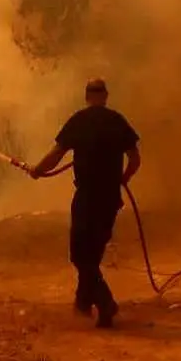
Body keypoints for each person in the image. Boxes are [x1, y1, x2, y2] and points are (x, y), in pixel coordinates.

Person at [27, 78, 141, 328]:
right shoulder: (117, 121)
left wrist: (36, 170)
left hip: (87, 196)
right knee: (93, 253)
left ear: (87, 96)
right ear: (106, 96)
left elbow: (56, 155)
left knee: (80, 256)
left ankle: (105, 302)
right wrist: (122, 179)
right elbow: (135, 159)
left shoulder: (79, 121)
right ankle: (83, 303)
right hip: (110, 198)